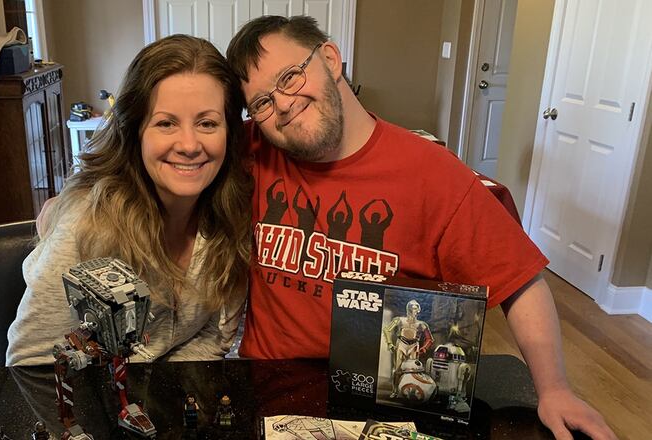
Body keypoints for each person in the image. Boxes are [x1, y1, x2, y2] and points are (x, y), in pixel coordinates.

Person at [225, 15, 615, 440]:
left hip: (388, 401)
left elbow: (519, 282)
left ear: (331, 59)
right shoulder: (252, 151)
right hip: (269, 387)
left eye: (291, 77)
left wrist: (554, 388)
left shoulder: (434, 175)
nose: (281, 104)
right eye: (261, 102)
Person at [6, 35, 252, 366]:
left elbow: (214, 338)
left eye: (207, 123)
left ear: (230, 133)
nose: (190, 144)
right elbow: (31, 364)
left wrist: (164, 401)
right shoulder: (87, 226)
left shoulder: (232, 218)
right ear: (134, 131)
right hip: (88, 405)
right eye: (166, 123)